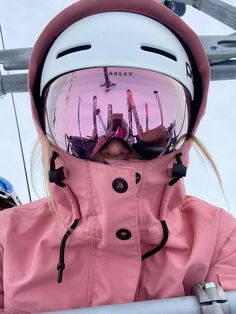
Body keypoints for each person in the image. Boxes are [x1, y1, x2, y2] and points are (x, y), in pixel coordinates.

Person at [0, 0, 236, 313]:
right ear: (50, 129)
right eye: (86, 121)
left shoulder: (216, 238)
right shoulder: (7, 242)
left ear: (184, 129)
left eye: (149, 120)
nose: (115, 143)